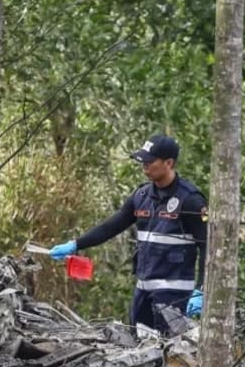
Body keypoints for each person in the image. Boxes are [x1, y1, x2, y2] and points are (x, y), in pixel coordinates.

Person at [49, 134, 208, 334]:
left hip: (174, 294)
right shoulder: (141, 196)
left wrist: (201, 289)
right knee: (138, 348)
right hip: (143, 290)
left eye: (150, 162)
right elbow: (110, 227)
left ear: (169, 163)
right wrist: (75, 244)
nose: (145, 166)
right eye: (143, 162)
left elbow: (207, 246)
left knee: (172, 354)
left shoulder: (190, 200)